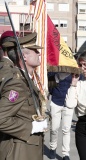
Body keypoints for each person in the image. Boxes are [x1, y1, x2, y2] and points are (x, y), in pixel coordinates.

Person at [0, 32, 47, 160]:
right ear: (24, 56)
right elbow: (1, 119)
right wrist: (31, 127)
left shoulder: (26, 79)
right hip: (19, 152)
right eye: (35, 51)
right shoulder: (17, 83)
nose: (39, 54)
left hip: (28, 149)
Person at [48, 72, 73, 160]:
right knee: (54, 128)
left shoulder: (73, 72)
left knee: (66, 129)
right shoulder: (53, 72)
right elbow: (49, 86)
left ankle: (66, 153)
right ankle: (53, 147)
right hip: (56, 102)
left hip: (68, 104)